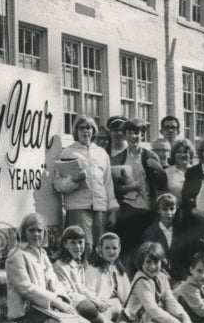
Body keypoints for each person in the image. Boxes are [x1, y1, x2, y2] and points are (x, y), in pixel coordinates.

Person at [5, 214, 95, 323]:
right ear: (24, 232)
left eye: (39, 230)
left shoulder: (42, 254)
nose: (36, 234)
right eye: (31, 230)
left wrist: (60, 300)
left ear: (44, 233)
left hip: (48, 308)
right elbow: (25, 288)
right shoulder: (16, 254)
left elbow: (54, 281)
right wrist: (54, 301)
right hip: (27, 312)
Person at [52, 115, 118, 249]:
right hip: (77, 207)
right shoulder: (67, 153)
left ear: (93, 131)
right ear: (76, 131)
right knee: (82, 246)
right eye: (81, 128)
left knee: (100, 246)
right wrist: (73, 180)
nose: (85, 131)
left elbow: (108, 183)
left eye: (89, 128)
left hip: (99, 207)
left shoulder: (101, 153)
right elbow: (57, 184)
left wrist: (112, 210)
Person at [110, 118, 166, 269]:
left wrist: (159, 169)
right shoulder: (117, 158)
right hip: (127, 207)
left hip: (146, 208)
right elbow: (113, 188)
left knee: (144, 249)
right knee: (127, 248)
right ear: (125, 135)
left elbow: (162, 184)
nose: (133, 137)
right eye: (129, 133)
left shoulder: (150, 156)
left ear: (142, 134)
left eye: (136, 133)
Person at [119, 241, 194, 323]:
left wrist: (184, 316)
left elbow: (170, 300)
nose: (152, 267)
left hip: (149, 319)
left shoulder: (162, 277)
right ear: (141, 262)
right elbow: (152, 309)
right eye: (148, 262)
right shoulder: (141, 279)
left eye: (156, 262)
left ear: (162, 262)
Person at [52, 226, 116, 323]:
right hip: (69, 303)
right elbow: (67, 293)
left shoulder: (79, 263)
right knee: (88, 308)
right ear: (65, 244)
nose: (77, 246)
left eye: (80, 242)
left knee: (106, 305)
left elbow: (82, 288)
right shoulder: (59, 266)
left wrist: (96, 300)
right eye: (73, 243)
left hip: (81, 299)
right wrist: (91, 301)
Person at [84, 232, 131, 323]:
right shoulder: (92, 269)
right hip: (101, 308)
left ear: (119, 249)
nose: (111, 252)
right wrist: (102, 304)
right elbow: (88, 293)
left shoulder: (121, 271)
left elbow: (127, 296)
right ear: (99, 249)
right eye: (107, 248)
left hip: (119, 308)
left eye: (114, 248)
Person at [142, 193, 186, 282]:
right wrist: (169, 280)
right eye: (164, 209)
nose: (169, 213)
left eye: (172, 209)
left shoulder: (180, 232)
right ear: (158, 210)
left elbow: (183, 259)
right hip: (156, 276)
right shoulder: (150, 233)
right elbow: (151, 260)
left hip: (178, 278)